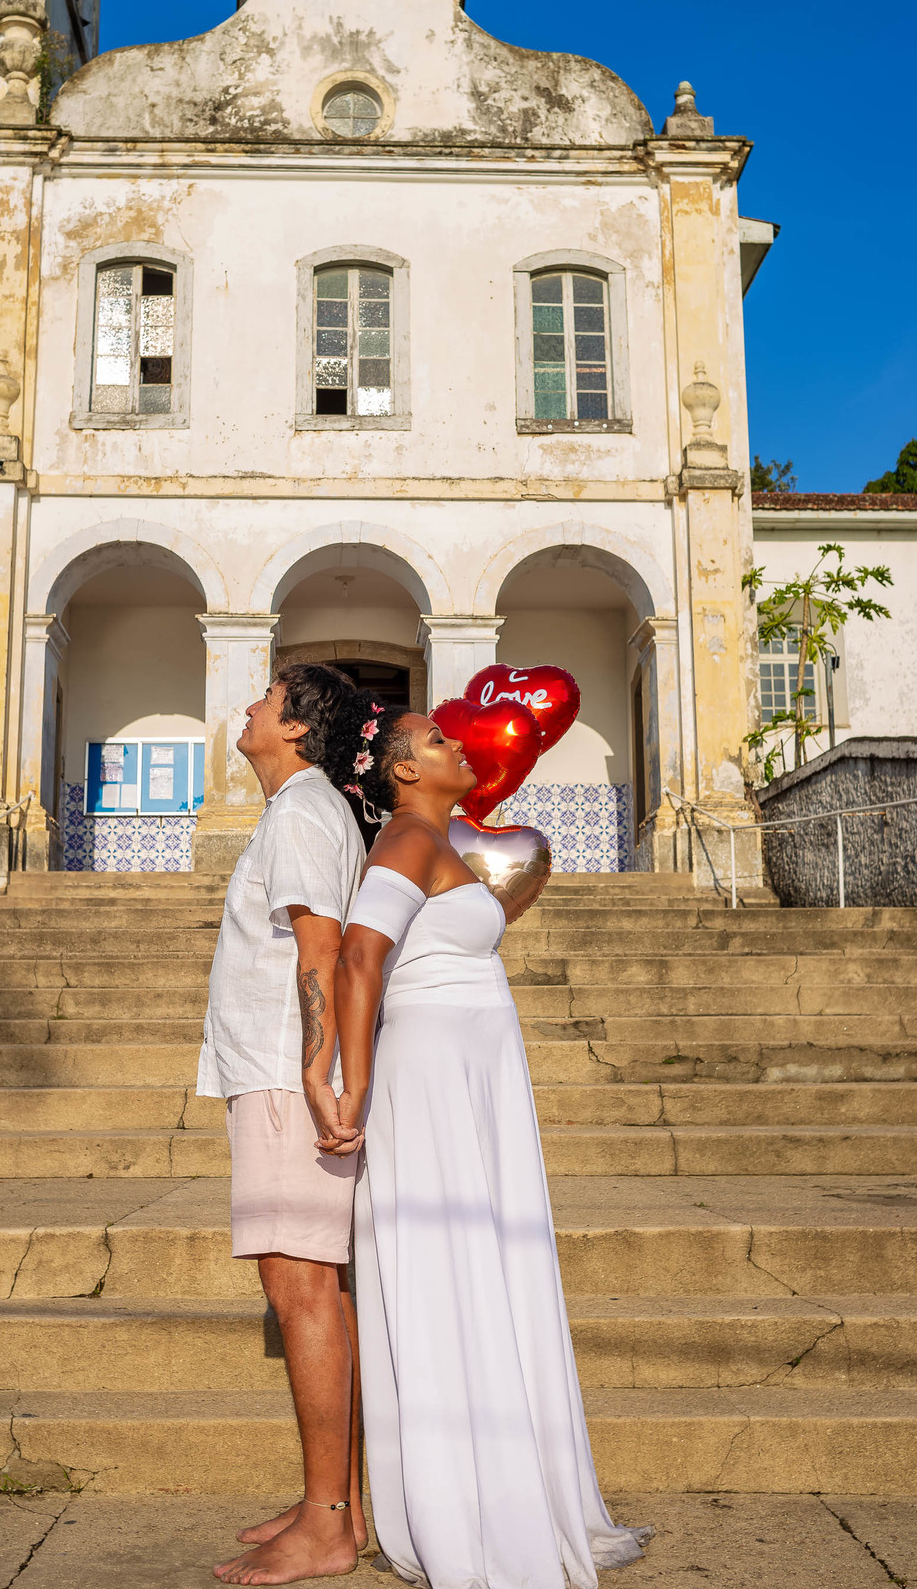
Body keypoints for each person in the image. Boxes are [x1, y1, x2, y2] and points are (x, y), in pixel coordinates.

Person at [314, 696, 652, 1589]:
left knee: (486, 1259)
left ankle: (516, 1480)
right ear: (402, 770)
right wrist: (352, 1080)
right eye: (435, 741)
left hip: (473, 1066)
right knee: (450, 1262)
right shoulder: (407, 841)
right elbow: (357, 956)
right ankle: (469, 1500)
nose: (457, 744)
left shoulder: (440, 843)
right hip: (430, 1072)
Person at [197, 662, 368, 1586]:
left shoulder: (303, 812)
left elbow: (322, 949)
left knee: (301, 1289)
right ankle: (331, 1503)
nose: (250, 707)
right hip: (271, 1072)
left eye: (266, 700)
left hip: (281, 1078)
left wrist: (312, 1071)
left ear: (298, 729)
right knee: (315, 1290)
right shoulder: (299, 810)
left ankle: (332, 1523)